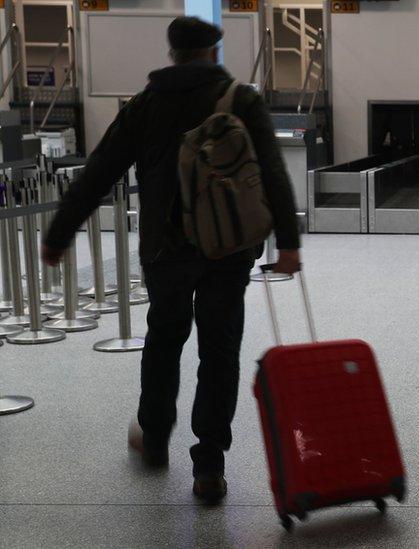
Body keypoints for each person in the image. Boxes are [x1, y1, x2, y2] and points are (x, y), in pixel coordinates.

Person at [42, 16, 301, 505]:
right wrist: (288, 243)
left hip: (166, 250)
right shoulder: (241, 100)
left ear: (174, 54)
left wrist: (59, 233)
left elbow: (100, 170)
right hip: (228, 249)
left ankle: (156, 438)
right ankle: (209, 466)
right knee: (220, 350)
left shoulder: (146, 104)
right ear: (213, 53)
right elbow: (272, 173)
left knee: (164, 339)